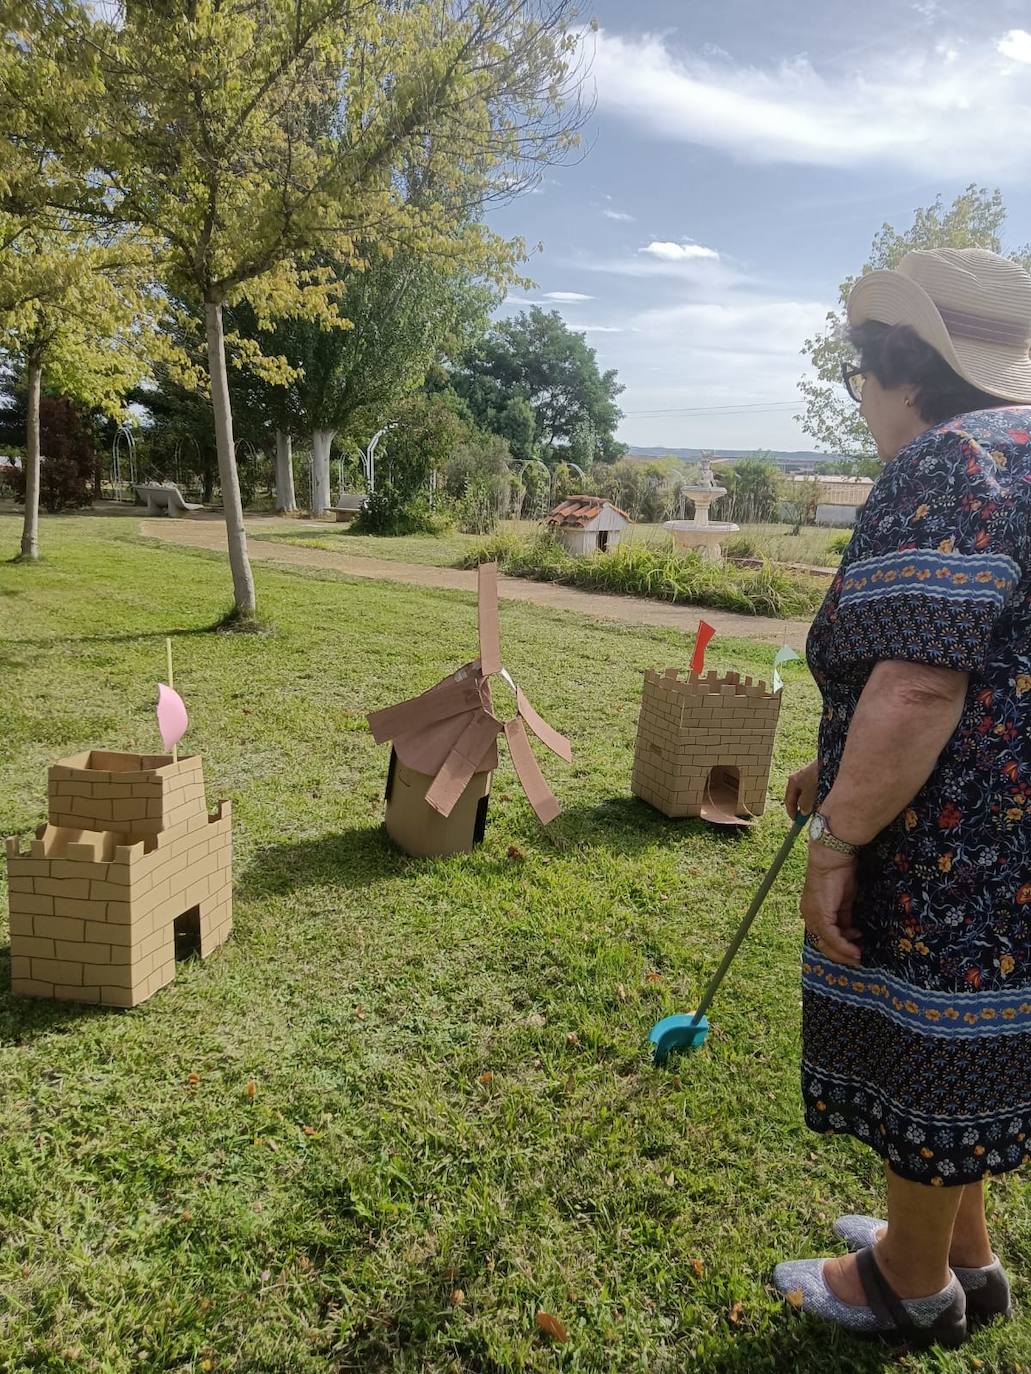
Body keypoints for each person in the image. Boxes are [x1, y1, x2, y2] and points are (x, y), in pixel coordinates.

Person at [772, 248, 1031, 1348]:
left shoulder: (942, 463)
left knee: (928, 1031)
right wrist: (835, 773)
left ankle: (905, 1279)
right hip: (1015, 839)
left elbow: (919, 681)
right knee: (968, 1044)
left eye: (858, 379)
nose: (863, 404)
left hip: (953, 843)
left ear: (901, 371)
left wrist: (835, 838)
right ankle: (965, 1257)